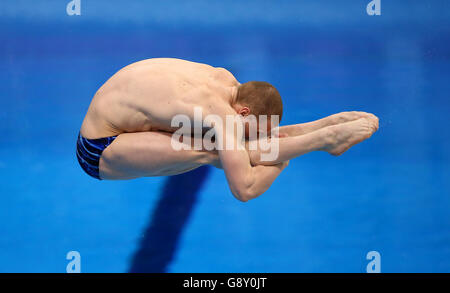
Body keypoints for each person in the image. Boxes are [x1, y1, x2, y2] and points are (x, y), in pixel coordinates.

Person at [77, 58, 379, 202]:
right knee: (213, 151)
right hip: (101, 150)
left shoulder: (225, 80)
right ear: (243, 112)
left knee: (227, 144)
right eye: (255, 130)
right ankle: (322, 140)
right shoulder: (223, 116)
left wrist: (271, 143)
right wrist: (284, 157)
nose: (254, 135)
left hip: (116, 117)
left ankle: (317, 129)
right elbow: (244, 189)